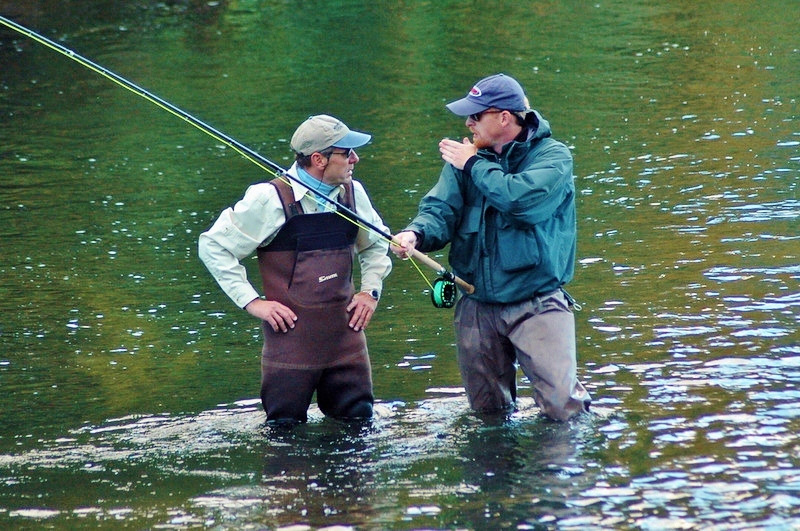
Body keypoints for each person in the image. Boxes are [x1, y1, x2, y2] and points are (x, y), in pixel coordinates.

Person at [392, 74, 591, 422]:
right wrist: (416, 233)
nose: (468, 123)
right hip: (476, 304)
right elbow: (440, 211)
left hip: (537, 302)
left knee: (563, 409)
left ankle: (559, 475)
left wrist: (472, 163)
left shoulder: (553, 157)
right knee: (487, 414)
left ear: (504, 117)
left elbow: (520, 201)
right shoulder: (465, 162)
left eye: (475, 115)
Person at [199, 114, 392, 423]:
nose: (355, 159)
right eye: (346, 153)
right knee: (283, 438)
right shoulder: (268, 198)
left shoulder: (354, 193)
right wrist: (253, 303)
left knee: (360, 430)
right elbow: (213, 246)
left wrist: (370, 291)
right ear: (319, 159)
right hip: (290, 350)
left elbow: (376, 245)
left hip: (348, 347)